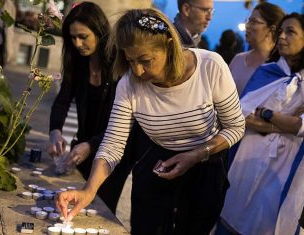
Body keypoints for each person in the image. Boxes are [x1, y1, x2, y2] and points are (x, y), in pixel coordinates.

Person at [55, 8, 245, 235]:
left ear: (168, 44)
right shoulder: (128, 82)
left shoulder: (210, 66)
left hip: (206, 165)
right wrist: (89, 190)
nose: (137, 70)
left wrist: (197, 154)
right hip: (156, 163)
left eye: (145, 60)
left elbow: (235, 126)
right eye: (130, 60)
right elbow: (113, 144)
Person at [219, 12, 304, 235]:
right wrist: (286, 122)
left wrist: (266, 114)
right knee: (233, 213)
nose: (282, 37)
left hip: (285, 168)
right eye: (281, 31)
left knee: (267, 222)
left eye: (291, 31)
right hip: (247, 158)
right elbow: (242, 115)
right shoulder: (268, 71)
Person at [48, 2, 135, 213]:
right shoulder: (77, 61)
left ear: (99, 32)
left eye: (83, 36)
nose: (77, 43)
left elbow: (127, 122)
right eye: (72, 37)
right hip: (85, 145)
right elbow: (62, 99)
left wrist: (92, 145)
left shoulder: (119, 62)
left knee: (101, 210)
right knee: (78, 206)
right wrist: (55, 131)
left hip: (115, 154)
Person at [229, 2, 285, 95]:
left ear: (272, 28)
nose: (247, 26)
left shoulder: (281, 64)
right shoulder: (238, 59)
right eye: (248, 21)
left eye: (254, 22)